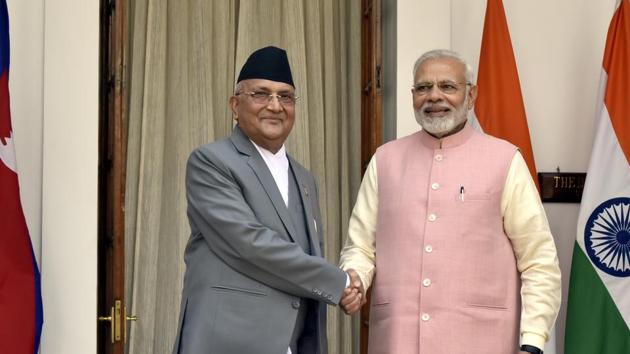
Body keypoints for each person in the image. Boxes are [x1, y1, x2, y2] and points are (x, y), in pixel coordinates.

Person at [339, 49, 561, 354]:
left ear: (471, 97)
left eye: (448, 86)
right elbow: (360, 247)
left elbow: (539, 260)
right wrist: (356, 278)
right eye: (424, 87)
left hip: (484, 341)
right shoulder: (385, 160)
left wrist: (532, 341)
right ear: (412, 95)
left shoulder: (505, 159)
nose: (434, 96)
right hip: (396, 341)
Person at [172, 46, 363, 354]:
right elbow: (250, 244)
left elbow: (304, 256)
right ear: (235, 105)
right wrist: (339, 284)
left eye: (285, 97)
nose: (275, 106)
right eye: (261, 94)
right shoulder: (211, 161)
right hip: (227, 342)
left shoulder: (304, 179)